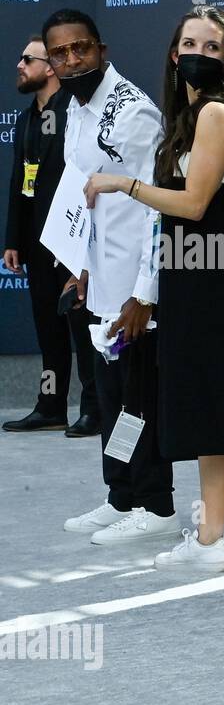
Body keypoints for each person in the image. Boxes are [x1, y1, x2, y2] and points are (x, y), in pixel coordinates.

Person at [84, 5, 224, 572]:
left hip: (207, 285)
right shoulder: (191, 120)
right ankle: (214, 535)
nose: (199, 53)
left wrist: (123, 182)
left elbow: (191, 205)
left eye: (212, 46)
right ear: (174, 54)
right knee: (219, 411)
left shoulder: (216, 113)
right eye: (190, 43)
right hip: (201, 280)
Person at [45, 9, 181, 546]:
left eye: (81, 48)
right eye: (61, 53)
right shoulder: (74, 109)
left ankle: (157, 503)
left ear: (101, 48)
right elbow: (87, 195)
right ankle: (120, 495)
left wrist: (145, 294)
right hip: (98, 283)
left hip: (133, 290)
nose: (72, 59)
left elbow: (158, 209)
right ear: (51, 62)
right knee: (109, 396)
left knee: (138, 398)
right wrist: (79, 266)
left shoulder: (133, 112)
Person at [2, 35, 100, 437]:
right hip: (38, 240)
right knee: (47, 327)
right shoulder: (26, 119)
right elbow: (19, 183)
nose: (19, 66)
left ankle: (94, 407)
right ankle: (51, 403)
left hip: (74, 237)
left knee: (81, 326)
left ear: (50, 67)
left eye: (27, 59)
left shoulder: (76, 113)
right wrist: (13, 239)